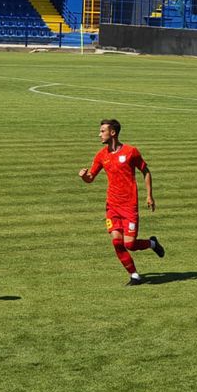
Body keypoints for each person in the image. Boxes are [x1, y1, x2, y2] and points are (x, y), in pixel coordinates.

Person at [78, 118, 165, 286]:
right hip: (112, 206)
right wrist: (83, 177)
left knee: (130, 244)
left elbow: (146, 171)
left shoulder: (131, 152)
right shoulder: (101, 155)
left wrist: (149, 196)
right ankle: (134, 275)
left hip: (129, 206)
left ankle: (152, 243)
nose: (99, 134)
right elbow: (90, 178)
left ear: (113, 133)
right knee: (117, 242)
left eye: (102, 131)